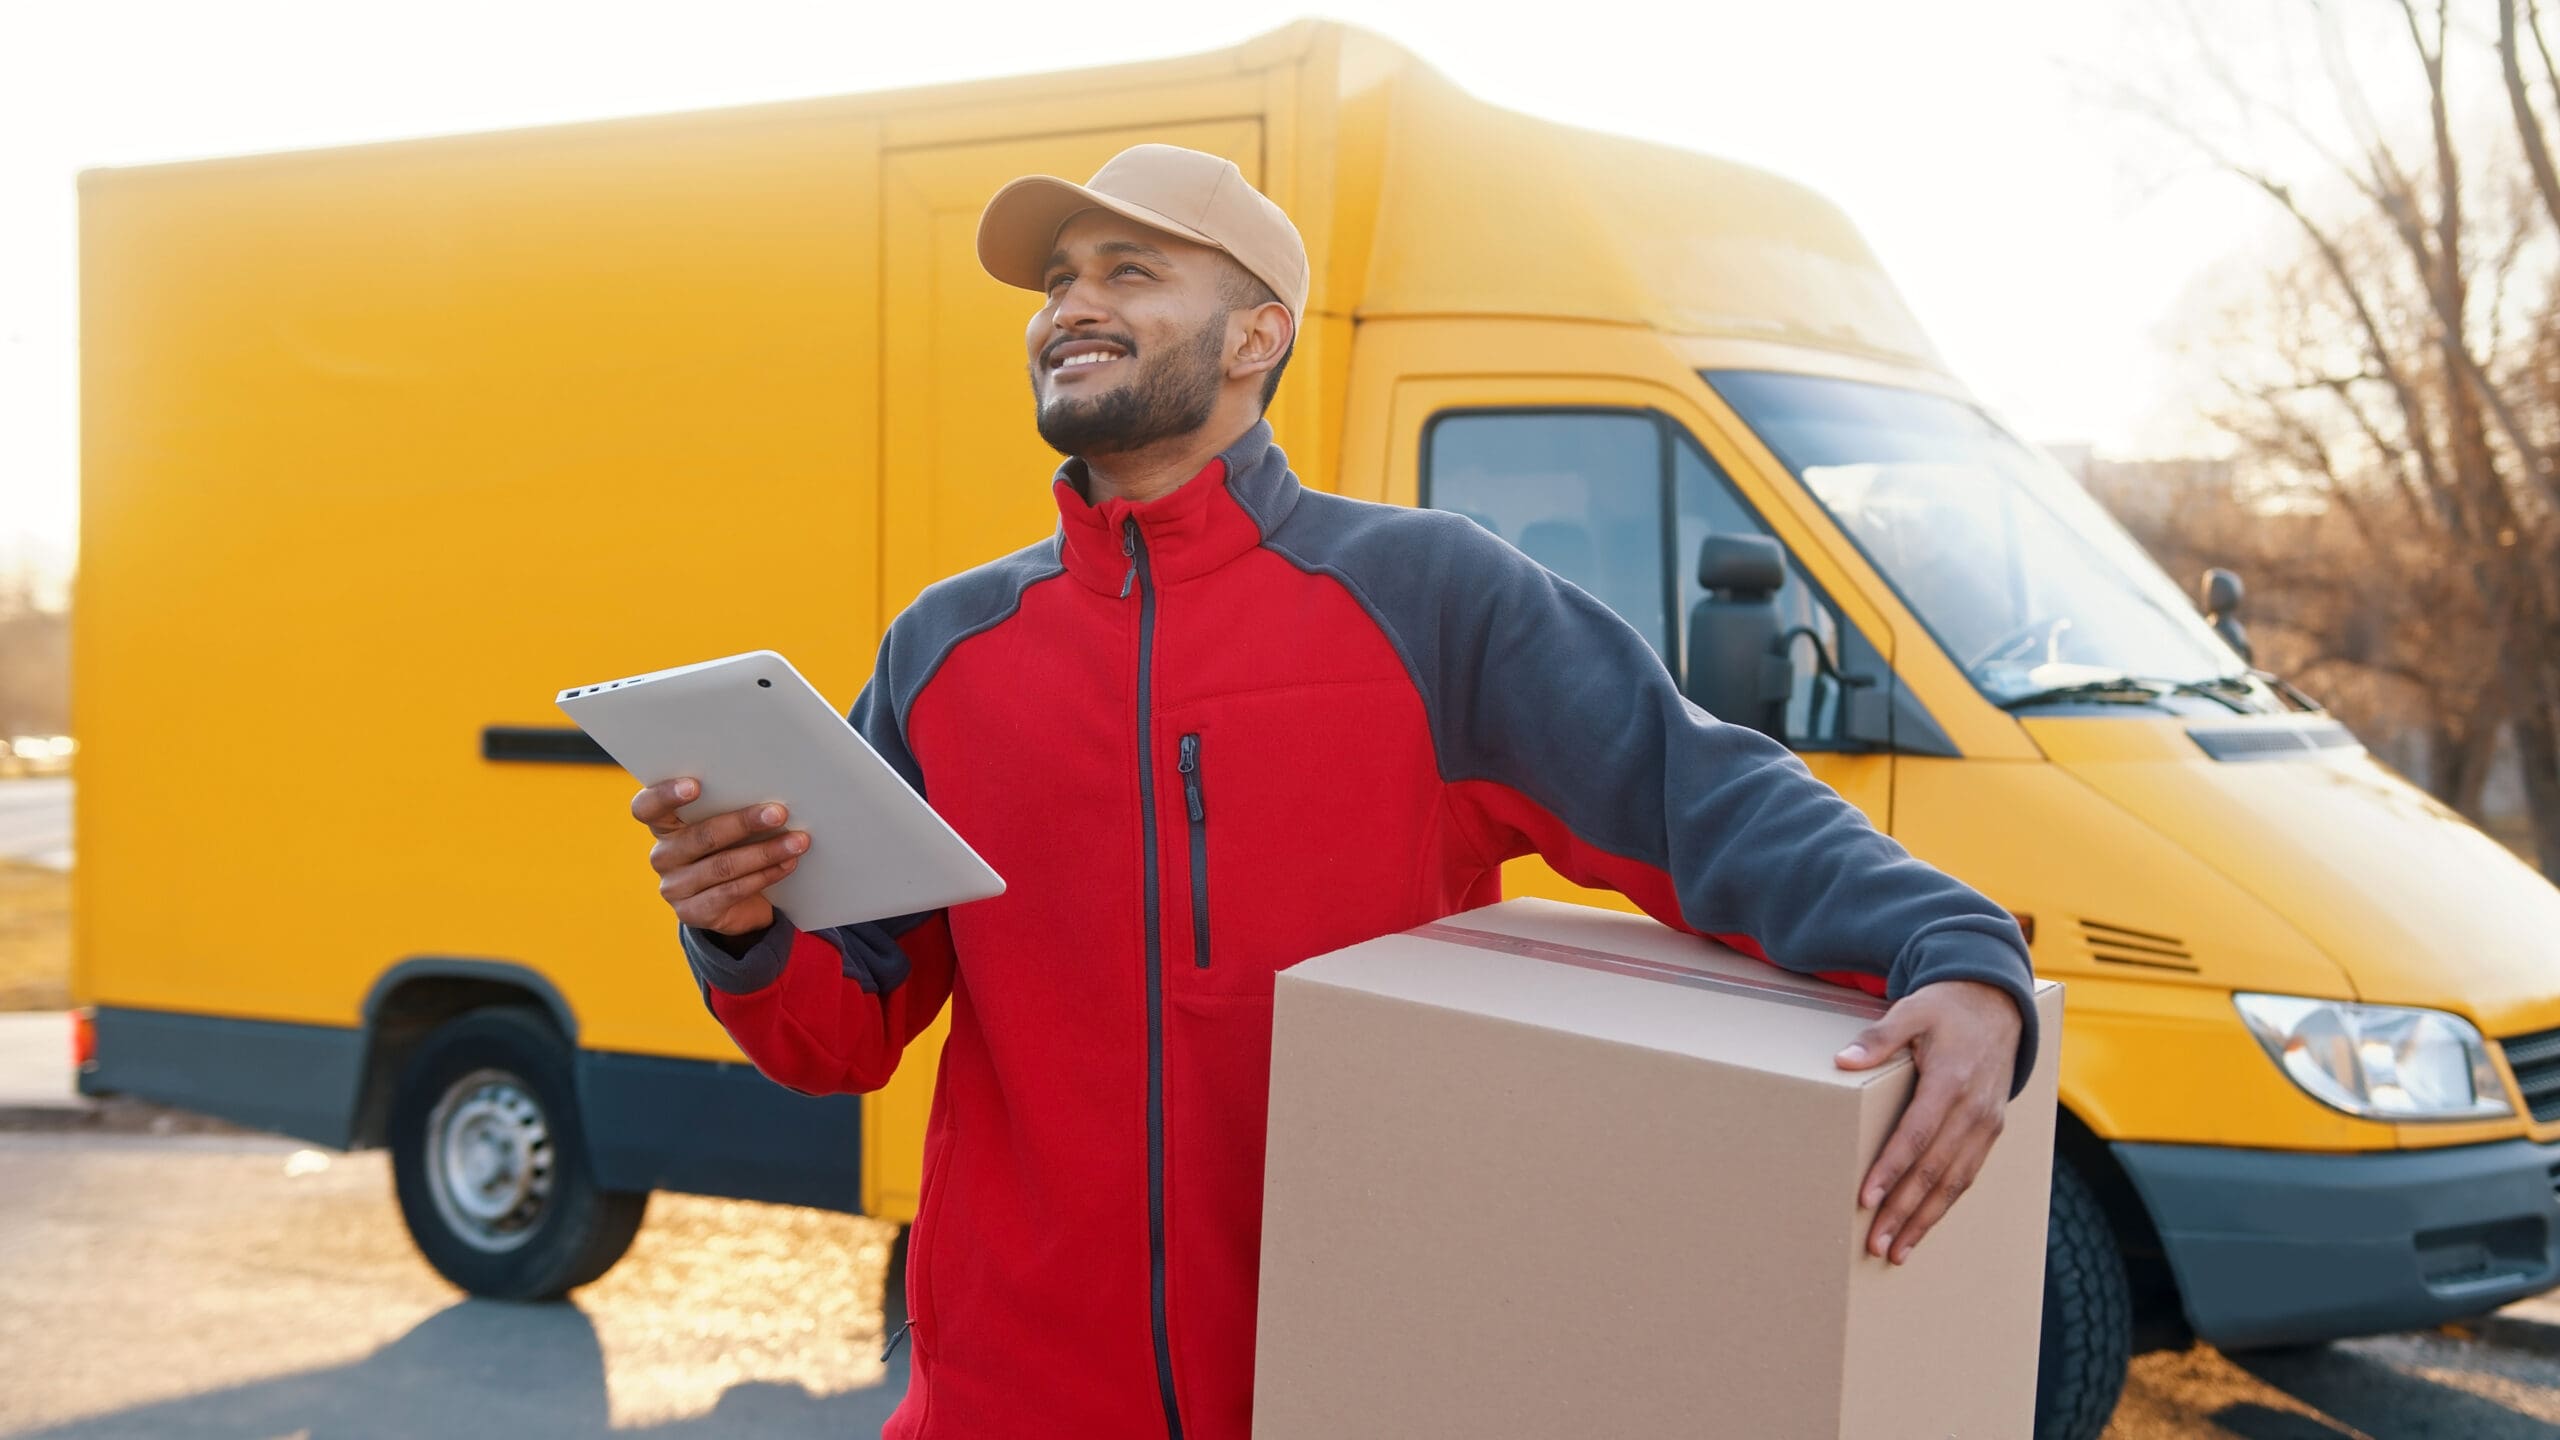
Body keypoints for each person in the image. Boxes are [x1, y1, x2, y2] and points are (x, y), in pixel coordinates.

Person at [630, 144, 2038, 1440]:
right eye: (1058, 280)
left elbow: (1700, 797)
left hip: (1343, 1380)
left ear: (1258, 336)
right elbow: (849, 1027)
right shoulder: (946, 650)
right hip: (1006, 1398)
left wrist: (1955, 950)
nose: (1071, 305)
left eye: (1130, 271)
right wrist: (743, 933)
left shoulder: (1426, 596)